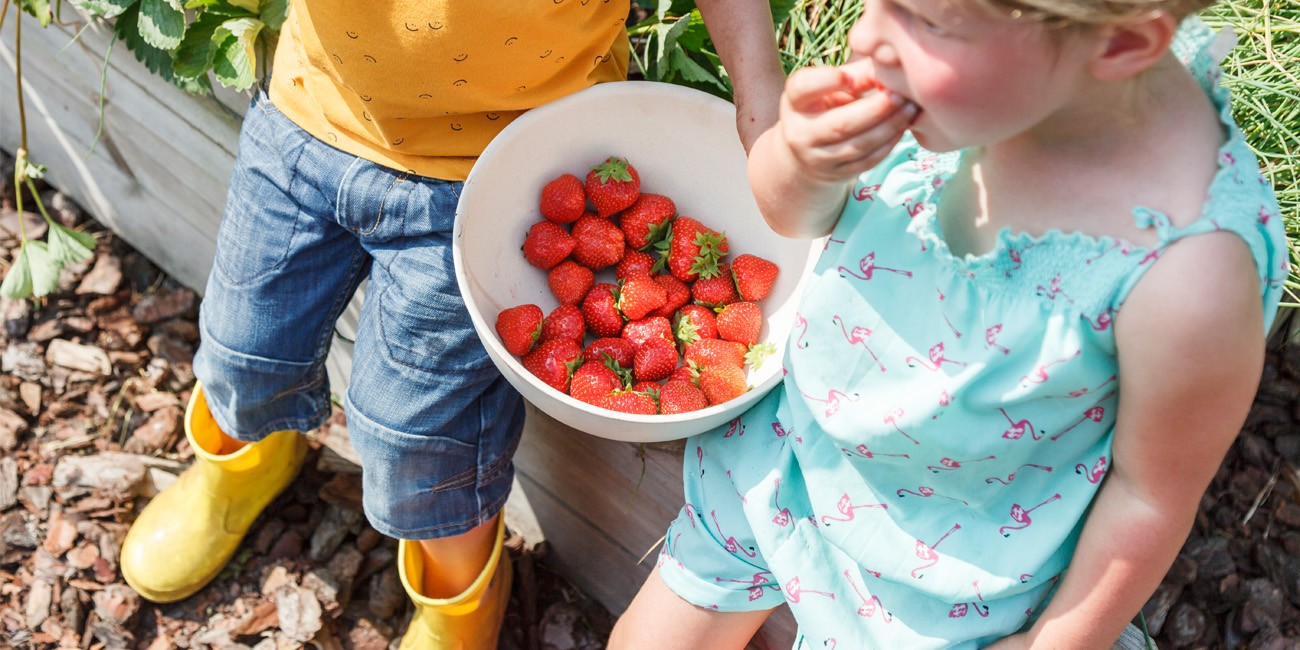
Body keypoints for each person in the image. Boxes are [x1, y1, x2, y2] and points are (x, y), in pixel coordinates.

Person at [610, 0, 1289, 646]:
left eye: (928, 18)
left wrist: (1052, 644)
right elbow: (798, 218)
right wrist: (800, 161)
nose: (865, 39)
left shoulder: (1186, 278)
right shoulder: (951, 87)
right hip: (793, 455)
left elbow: (1150, 493)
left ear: (1119, 42)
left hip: (950, 570)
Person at [117, 2, 785, 648]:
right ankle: (239, 465)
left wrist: (761, 101)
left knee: (416, 431)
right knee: (243, 341)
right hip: (308, 109)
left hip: (500, 166)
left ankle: (459, 594)